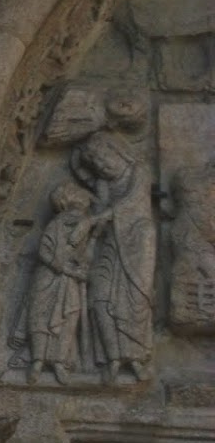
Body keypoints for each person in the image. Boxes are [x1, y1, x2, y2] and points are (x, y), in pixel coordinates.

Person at [74, 128, 156, 381]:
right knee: (99, 298)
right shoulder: (102, 183)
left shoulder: (139, 170)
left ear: (117, 151)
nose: (101, 166)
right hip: (110, 243)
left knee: (136, 300)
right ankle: (113, 358)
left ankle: (136, 358)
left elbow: (131, 202)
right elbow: (101, 208)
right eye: (96, 164)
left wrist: (94, 219)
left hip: (139, 239)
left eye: (103, 158)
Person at [25, 178, 110, 384]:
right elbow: (44, 251)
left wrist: (92, 240)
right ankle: (37, 361)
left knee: (70, 317)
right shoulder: (56, 225)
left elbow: (84, 255)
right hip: (49, 277)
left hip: (70, 279)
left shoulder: (85, 225)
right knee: (41, 316)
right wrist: (63, 267)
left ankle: (59, 363)